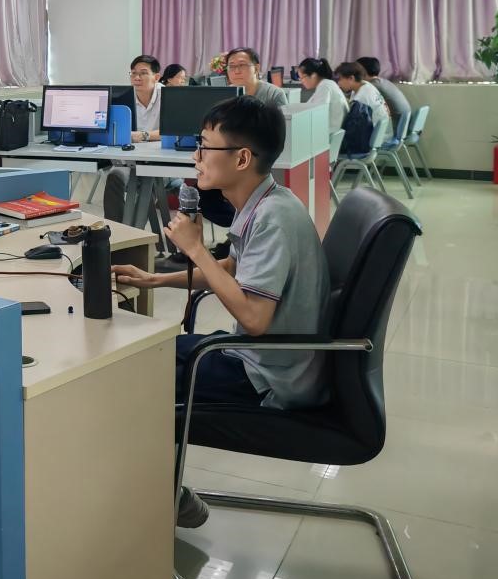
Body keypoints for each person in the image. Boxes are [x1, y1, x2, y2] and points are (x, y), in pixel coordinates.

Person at [111, 97, 330, 527]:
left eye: (205, 147)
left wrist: (194, 249)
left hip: (267, 376)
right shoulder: (267, 202)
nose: (196, 156)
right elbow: (232, 269)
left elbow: (254, 319)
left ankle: (160, 500)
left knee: (136, 378)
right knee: (144, 354)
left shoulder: (273, 219)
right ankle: (164, 491)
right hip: (253, 356)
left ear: (242, 158)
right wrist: (156, 279)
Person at [103, 55, 163, 225]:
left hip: (159, 161)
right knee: (114, 177)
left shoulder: (167, 95)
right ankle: (117, 231)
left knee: (148, 182)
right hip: (128, 159)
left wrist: (144, 135)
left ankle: (133, 233)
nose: (137, 77)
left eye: (143, 73)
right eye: (133, 73)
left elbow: (173, 130)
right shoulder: (124, 97)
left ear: (156, 77)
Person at [335, 61, 389, 138]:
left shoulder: (360, 99)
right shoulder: (366, 85)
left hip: (374, 137)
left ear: (351, 78)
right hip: (381, 133)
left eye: (340, 79)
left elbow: (352, 126)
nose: (338, 83)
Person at [297, 57, 348, 133]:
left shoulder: (325, 86)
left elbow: (318, 114)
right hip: (330, 131)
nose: (301, 81)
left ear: (313, 75)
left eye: (302, 77)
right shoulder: (326, 84)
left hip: (328, 133)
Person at [357, 56, 411, 125]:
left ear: (362, 71)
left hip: (395, 127)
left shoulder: (372, 86)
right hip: (404, 125)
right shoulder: (383, 82)